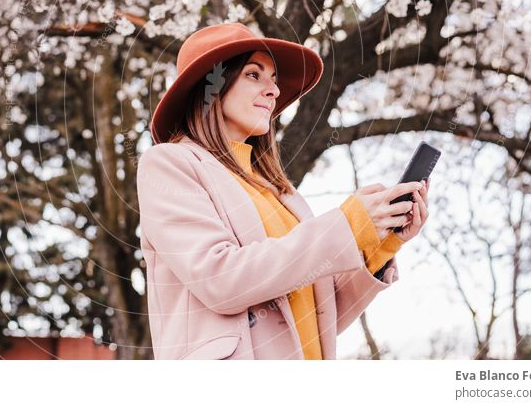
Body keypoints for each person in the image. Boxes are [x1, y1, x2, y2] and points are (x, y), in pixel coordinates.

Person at [136, 22, 430, 359]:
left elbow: (317, 316)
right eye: (253, 74)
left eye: (274, 80)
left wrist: (377, 243)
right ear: (210, 87)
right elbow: (220, 279)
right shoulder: (169, 164)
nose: (274, 91)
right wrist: (347, 223)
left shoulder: (281, 193)